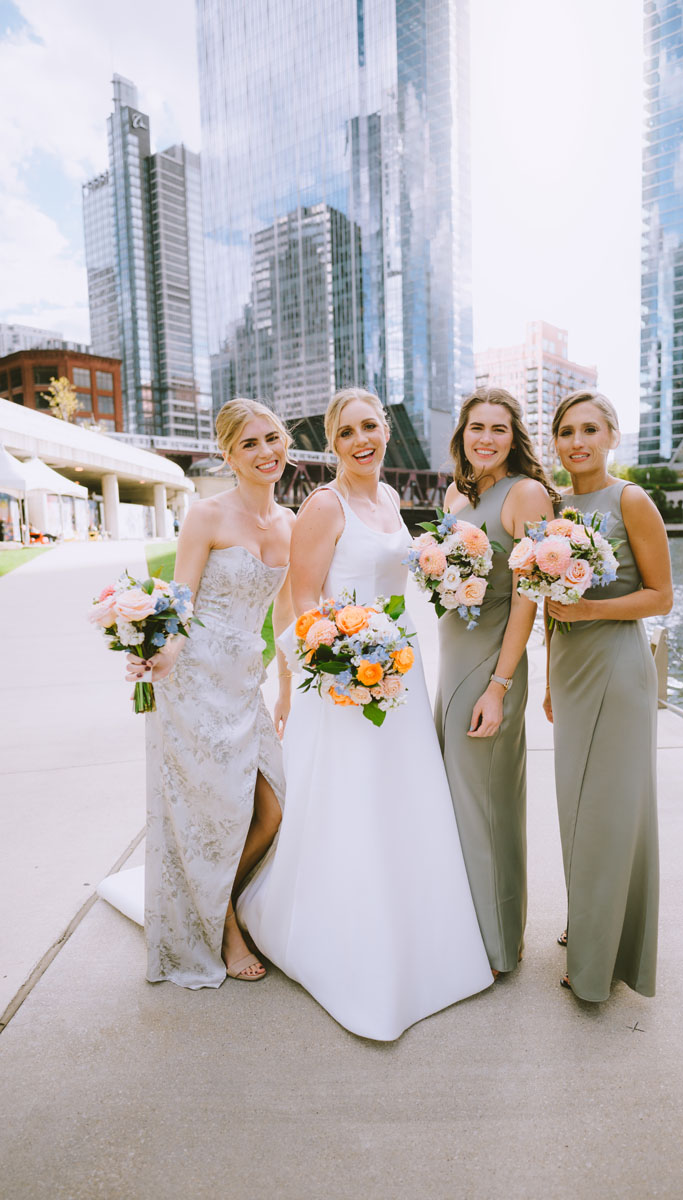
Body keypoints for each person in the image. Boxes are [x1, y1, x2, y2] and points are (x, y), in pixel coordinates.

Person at [236, 387, 494, 1040]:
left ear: (385, 431)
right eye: (347, 431)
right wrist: (319, 672)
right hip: (345, 673)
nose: (362, 440)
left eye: (371, 426)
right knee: (348, 806)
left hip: (400, 670)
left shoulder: (387, 500)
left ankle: (416, 939)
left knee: (400, 804)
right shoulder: (325, 505)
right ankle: (337, 943)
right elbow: (299, 604)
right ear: (332, 442)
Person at [124, 398, 295, 987]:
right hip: (195, 681)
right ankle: (225, 930)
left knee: (272, 810)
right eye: (248, 444)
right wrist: (163, 651)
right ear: (227, 455)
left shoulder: (292, 523)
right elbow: (180, 597)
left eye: (271, 438)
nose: (265, 452)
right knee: (214, 817)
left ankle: (213, 901)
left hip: (247, 681)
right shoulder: (207, 514)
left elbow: (290, 616)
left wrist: (289, 686)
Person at [544, 389, 672, 1002]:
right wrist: (546, 679)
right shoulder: (555, 507)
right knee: (574, 809)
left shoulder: (631, 500)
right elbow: (546, 606)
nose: (577, 441)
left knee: (610, 810)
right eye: (566, 431)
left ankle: (601, 958)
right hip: (568, 672)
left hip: (619, 667)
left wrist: (590, 608)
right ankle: (587, 920)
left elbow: (659, 596)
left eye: (590, 429)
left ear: (612, 435)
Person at [435, 387, 557, 975]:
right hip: (452, 663)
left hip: (490, 669)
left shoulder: (526, 493)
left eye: (499, 429)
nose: (486, 438)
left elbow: (530, 601)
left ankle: (499, 944)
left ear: (515, 437)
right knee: (461, 804)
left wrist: (500, 687)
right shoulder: (458, 493)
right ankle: (466, 931)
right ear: (462, 434)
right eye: (476, 427)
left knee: (490, 805)